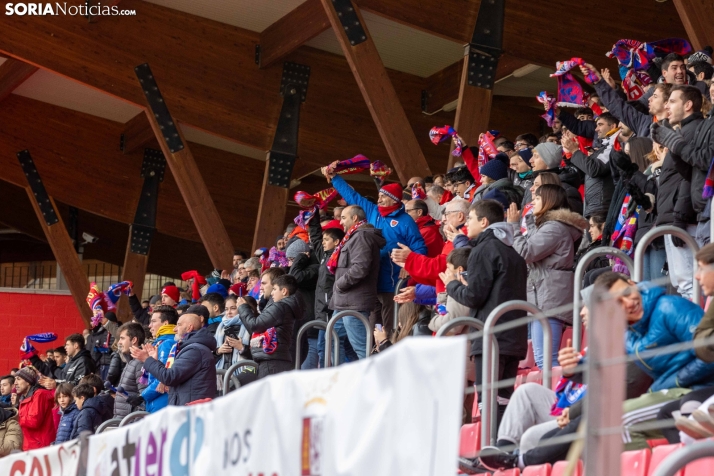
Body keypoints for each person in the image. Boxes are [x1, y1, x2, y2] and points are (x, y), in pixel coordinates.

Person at [444, 200, 528, 422]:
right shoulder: (513, 253)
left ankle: (490, 452)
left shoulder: (482, 250)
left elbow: (474, 296)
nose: (466, 225)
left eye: (470, 219)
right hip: (514, 337)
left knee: (489, 401)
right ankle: (502, 450)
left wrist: (452, 285)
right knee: (503, 400)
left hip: (491, 335)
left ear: (484, 221)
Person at [323, 166, 427, 336]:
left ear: (394, 199)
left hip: (391, 282)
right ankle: (373, 354)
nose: (379, 199)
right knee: (372, 327)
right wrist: (335, 178)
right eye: (379, 196)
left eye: (383, 197)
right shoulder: (373, 211)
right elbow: (352, 196)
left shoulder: (406, 221)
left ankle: (389, 351)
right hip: (371, 280)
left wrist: (409, 265)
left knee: (389, 325)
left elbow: (419, 247)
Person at [508, 184, 587, 369]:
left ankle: (554, 398)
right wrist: (530, 222)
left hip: (549, 297)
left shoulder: (554, 228)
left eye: (537, 198)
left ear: (549, 201)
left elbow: (526, 253)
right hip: (546, 295)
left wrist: (513, 226)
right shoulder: (551, 226)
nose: (532, 202)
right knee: (544, 360)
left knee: (546, 361)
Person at [327, 205, 386, 359]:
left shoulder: (361, 237)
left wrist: (340, 284)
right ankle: (339, 380)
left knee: (362, 348)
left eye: (343, 218)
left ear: (354, 218)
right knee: (331, 340)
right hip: (345, 301)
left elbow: (360, 267)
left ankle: (371, 381)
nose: (340, 222)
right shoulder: (354, 236)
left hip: (354, 303)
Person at [131, 311, 217, 406]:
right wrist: (155, 361)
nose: (175, 329)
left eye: (179, 325)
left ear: (189, 327)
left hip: (191, 410)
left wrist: (147, 359)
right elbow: (174, 376)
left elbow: (170, 377)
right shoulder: (192, 348)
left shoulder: (194, 350)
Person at [238, 274, 304, 376]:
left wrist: (243, 307)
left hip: (272, 361)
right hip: (276, 359)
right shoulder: (285, 307)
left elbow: (255, 325)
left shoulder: (280, 307)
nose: (272, 293)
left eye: (274, 289)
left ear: (284, 291)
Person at [565, 112, 619, 218]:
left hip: (602, 208)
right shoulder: (604, 147)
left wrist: (575, 151)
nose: (596, 129)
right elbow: (584, 172)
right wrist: (569, 154)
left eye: (600, 124)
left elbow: (594, 169)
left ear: (613, 126)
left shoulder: (614, 145)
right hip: (594, 207)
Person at [286, 238, 320, 368]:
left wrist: (300, 258)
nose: (289, 265)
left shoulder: (315, 268)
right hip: (304, 327)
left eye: (291, 260)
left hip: (312, 327)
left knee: (307, 372)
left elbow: (293, 278)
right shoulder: (302, 268)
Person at [141, 305, 177, 413]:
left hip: (161, 402)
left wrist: (142, 396)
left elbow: (162, 377)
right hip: (157, 401)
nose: (149, 326)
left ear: (165, 323)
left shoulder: (167, 343)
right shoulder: (160, 343)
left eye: (153, 321)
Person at [15, 367, 56, 450]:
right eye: (15, 380)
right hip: (30, 446)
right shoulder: (23, 397)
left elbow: (34, 421)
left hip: (40, 447)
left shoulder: (40, 394)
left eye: (18, 379)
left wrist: (15, 418)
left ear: (28, 382)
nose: (15, 383)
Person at [113, 322, 147, 418]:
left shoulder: (140, 362)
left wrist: (133, 423)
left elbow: (143, 399)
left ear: (134, 340)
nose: (119, 342)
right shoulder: (131, 362)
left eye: (122, 338)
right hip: (123, 421)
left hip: (129, 424)